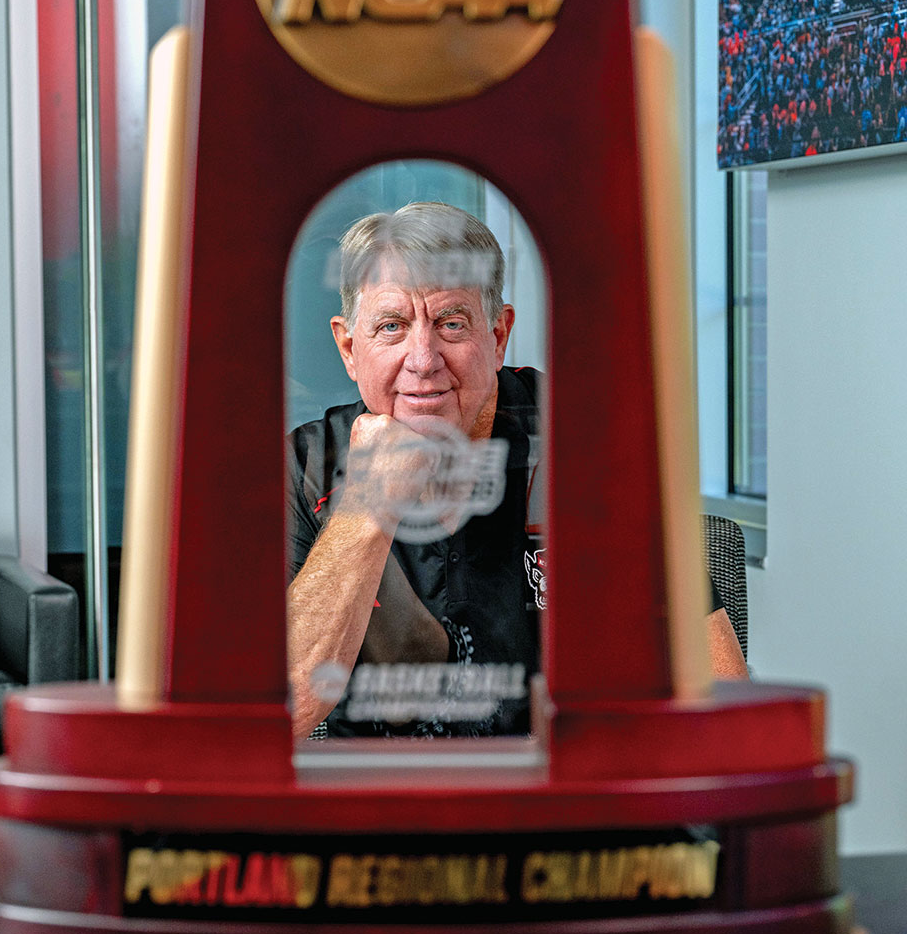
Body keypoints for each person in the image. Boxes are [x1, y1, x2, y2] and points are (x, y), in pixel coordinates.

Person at [286, 202, 746, 741]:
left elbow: (719, 690)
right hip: (375, 804)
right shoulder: (307, 465)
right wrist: (365, 507)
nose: (423, 359)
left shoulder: (592, 447)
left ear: (499, 334)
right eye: (391, 327)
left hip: (561, 794)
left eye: (451, 324)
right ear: (348, 347)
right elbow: (280, 714)